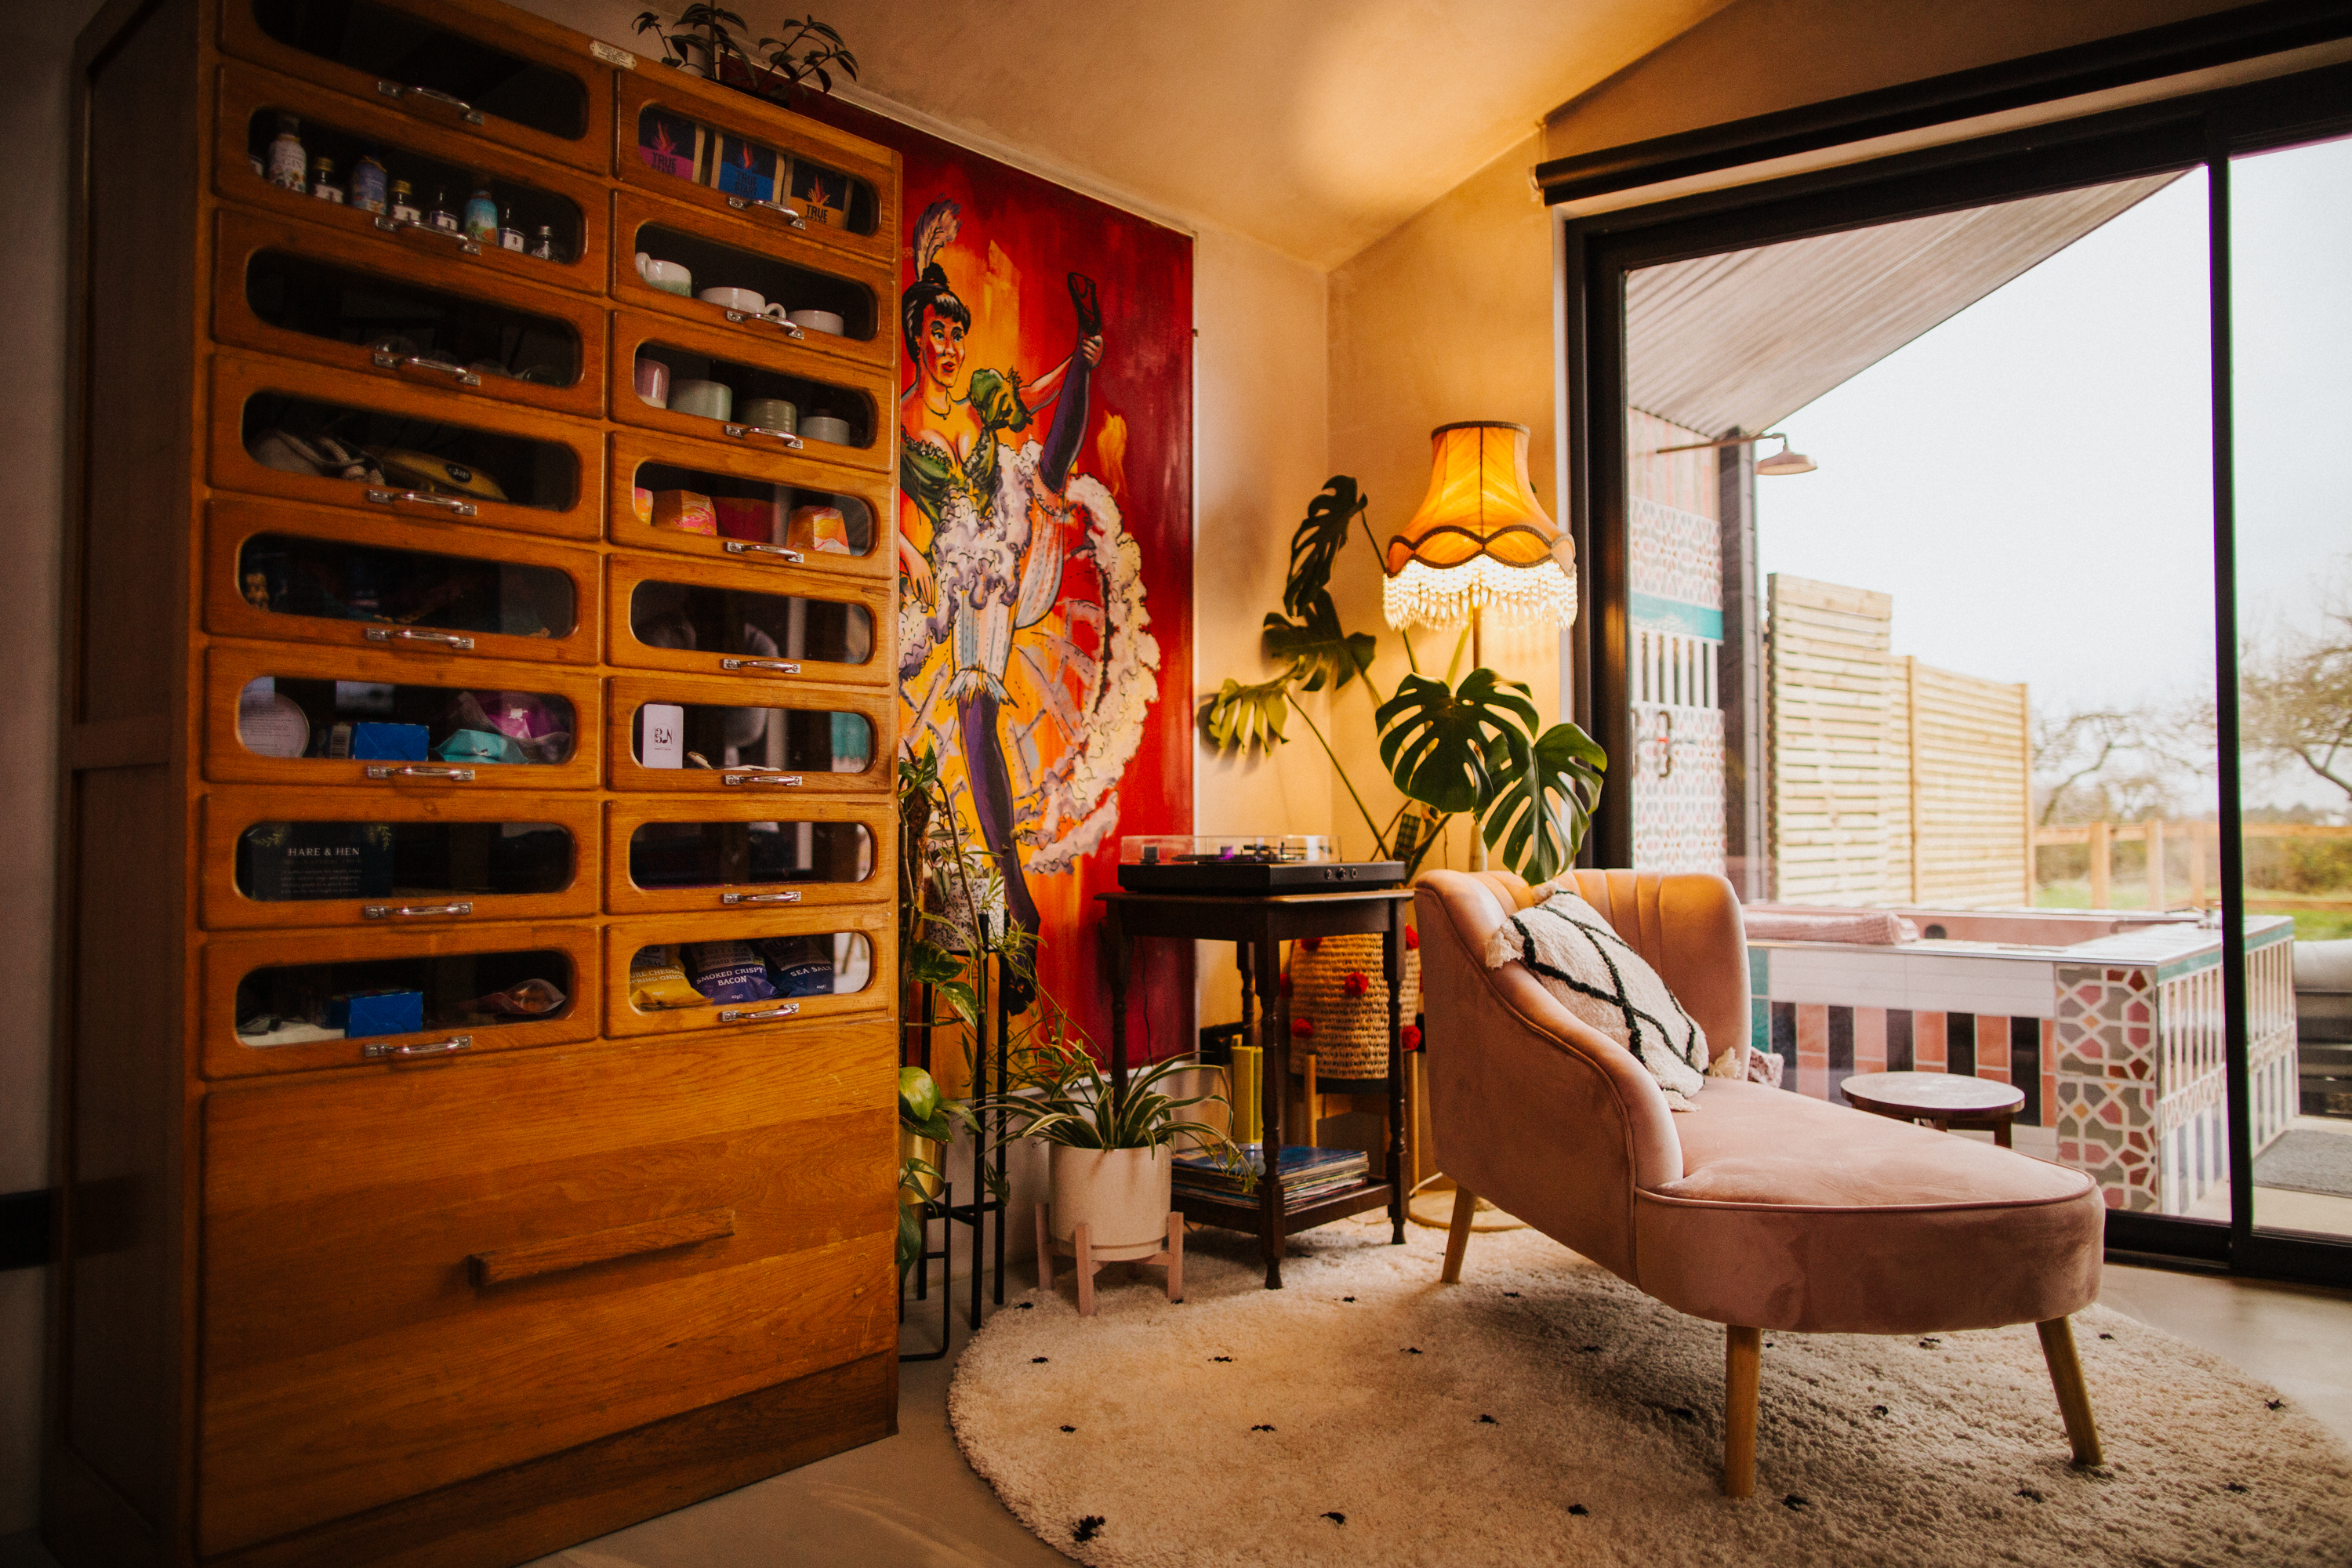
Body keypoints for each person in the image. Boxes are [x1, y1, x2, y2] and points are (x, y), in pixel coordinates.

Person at [897, 200, 1105, 961]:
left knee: (1047, 464)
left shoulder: (982, 401)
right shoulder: (899, 420)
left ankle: (1015, 909)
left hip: (998, 547)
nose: (950, 345)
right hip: (951, 567)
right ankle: (1016, 904)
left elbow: (1031, 399)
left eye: (956, 332)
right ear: (916, 336)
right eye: (938, 332)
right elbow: (863, 486)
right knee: (975, 713)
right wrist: (910, 555)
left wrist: (1078, 360)